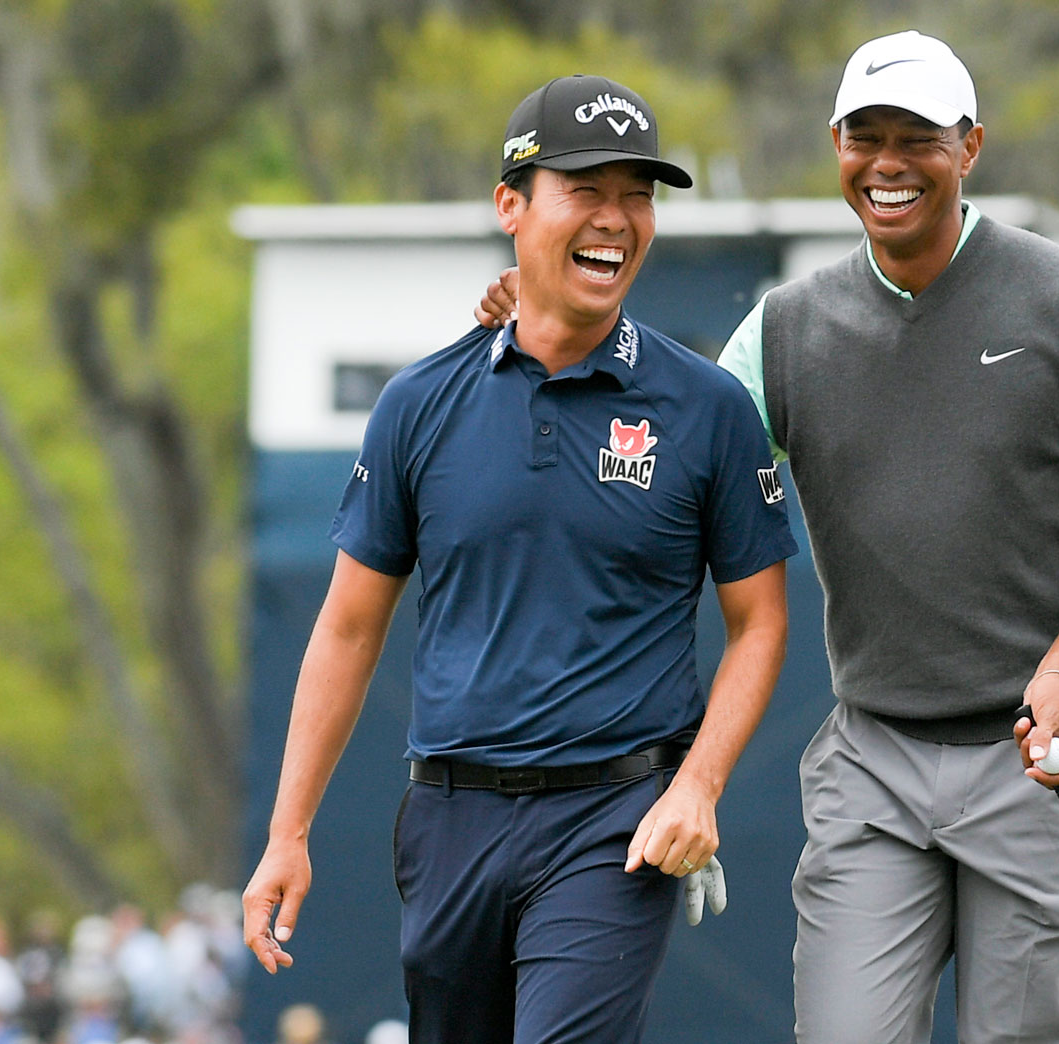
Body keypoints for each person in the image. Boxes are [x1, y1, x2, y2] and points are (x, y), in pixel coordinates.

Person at [477, 30, 1059, 1044]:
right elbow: (660, 442)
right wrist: (539, 323)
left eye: (917, 138)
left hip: (1045, 750)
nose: (888, 163)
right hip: (877, 758)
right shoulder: (785, 331)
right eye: (865, 137)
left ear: (970, 146)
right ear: (836, 146)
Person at [242, 74, 797, 1044]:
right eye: (585, 191)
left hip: (615, 822)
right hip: (447, 821)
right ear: (512, 205)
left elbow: (760, 623)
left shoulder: (706, 407)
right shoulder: (417, 404)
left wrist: (698, 784)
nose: (616, 219)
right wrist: (287, 833)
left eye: (637, 196)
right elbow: (347, 628)